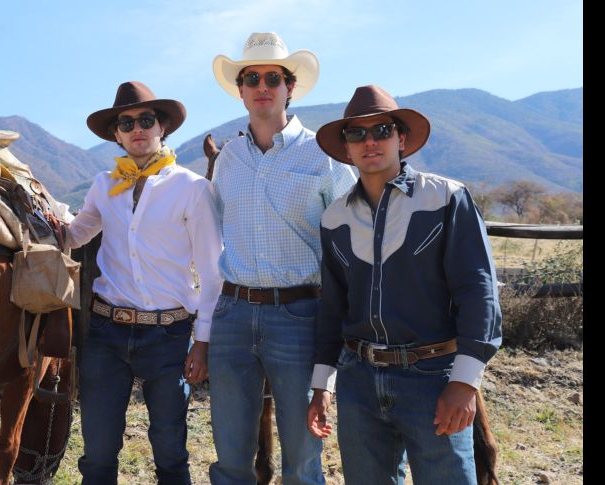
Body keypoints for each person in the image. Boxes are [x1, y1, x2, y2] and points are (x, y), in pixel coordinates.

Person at [305, 84, 503, 484]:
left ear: (402, 138)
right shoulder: (333, 219)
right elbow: (333, 309)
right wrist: (322, 385)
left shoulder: (447, 199)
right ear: (346, 149)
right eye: (356, 134)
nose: (370, 141)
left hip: (432, 376)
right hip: (359, 379)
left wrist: (465, 381)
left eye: (381, 130)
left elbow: (478, 290)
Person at [207, 32, 357, 484]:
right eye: (251, 77)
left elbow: (354, 239)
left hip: (299, 313)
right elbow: (211, 227)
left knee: (302, 457)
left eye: (273, 76)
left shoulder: (325, 156)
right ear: (241, 89)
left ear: (290, 87)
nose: (262, 85)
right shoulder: (229, 158)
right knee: (231, 455)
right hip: (232, 313)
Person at [62, 81, 223, 484]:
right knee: (97, 451)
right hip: (106, 331)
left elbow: (212, 272)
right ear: (116, 134)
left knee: (170, 450)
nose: (137, 129)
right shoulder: (104, 185)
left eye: (146, 120)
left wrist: (201, 341)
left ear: (161, 128)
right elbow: (76, 233)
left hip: (170, 334)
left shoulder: (192, 189)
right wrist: (38, 222)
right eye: (127, 122)